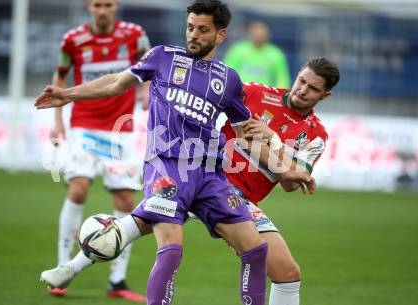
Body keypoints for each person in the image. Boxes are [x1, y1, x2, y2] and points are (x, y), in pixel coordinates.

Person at [36, 1, 315, 305]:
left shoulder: (229, 80)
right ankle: (76, 264)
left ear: (220, 36)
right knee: (171, 249)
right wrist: (67, 94)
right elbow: (117, 82)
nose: (193, 34)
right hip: (167, 167)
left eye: (202, 29)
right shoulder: (162, 57)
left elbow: (247, 135)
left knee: (256, 249)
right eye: (190, 27)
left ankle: (75, 263)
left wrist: (286, 170)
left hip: (210, 175)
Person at [46, 0, 150, 301]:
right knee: (78, 189)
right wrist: (57, 119)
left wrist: (144, 91)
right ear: (88, 7)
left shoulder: (135, 35)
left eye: (107, 4)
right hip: (85, 125)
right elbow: (60, 75)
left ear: (115, 6)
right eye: (96, 4)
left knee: (126, 200)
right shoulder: (73, 39)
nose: (102, 10)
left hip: (121, 130)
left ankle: (117, 281)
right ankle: (61, 269)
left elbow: (149, 66)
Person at [221, 57, 340, 305]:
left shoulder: (316, 135)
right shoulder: (256, 93)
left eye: (313, 88)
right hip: (208, 181)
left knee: (288, 274)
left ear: (324, 96)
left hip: (241, 201)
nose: (303, 90)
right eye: (301, 81)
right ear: (296, 76)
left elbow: (291, 183)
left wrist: (274, 140)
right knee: (154, 218)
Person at [224, 20, 291, 88]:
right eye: (255, 32)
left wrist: (280, 95)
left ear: (268, 34)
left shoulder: (276, 54)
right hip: (239, 93)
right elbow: (227, 73)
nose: (258, 35)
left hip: (264, 95)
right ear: (249, 33)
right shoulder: (238, 50)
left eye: (261, 33)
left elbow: (282, 79)